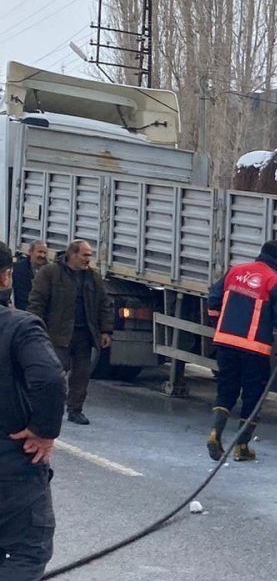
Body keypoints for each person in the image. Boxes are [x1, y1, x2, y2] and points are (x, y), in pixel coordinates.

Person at [0, 241, 68, 580]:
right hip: (10, 465)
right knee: (27, 551)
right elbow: (50, 379)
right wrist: (43, 431)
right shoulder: (19, 327)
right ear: (6, 277)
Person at [206, 240, 277, 462]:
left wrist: (219, 324)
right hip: (254, 350)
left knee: (226, 389)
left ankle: (215, 434)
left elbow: (212, 301)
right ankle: (241, 446)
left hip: (226, 344)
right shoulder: (276, 282)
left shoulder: (234, 272)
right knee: (252, 396)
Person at [28, 240, 112, 426]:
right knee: (54, 374)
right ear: (72, 254)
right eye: (85, 255)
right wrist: (35, 328)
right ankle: (45, 409)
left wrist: (105, 330)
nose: (88, 259)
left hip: (84, 334)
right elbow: (37, 301)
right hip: (57, 334)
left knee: (81, 375)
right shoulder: (50, 273)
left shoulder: (93, 277)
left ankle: (75, 410)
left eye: (89, 255)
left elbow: (104, 304)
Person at [13, 241, 50, 312]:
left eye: (45, 253)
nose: (42, 255)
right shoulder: (18, 269)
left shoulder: (51, 271)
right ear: (30, 252)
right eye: (39, 252)